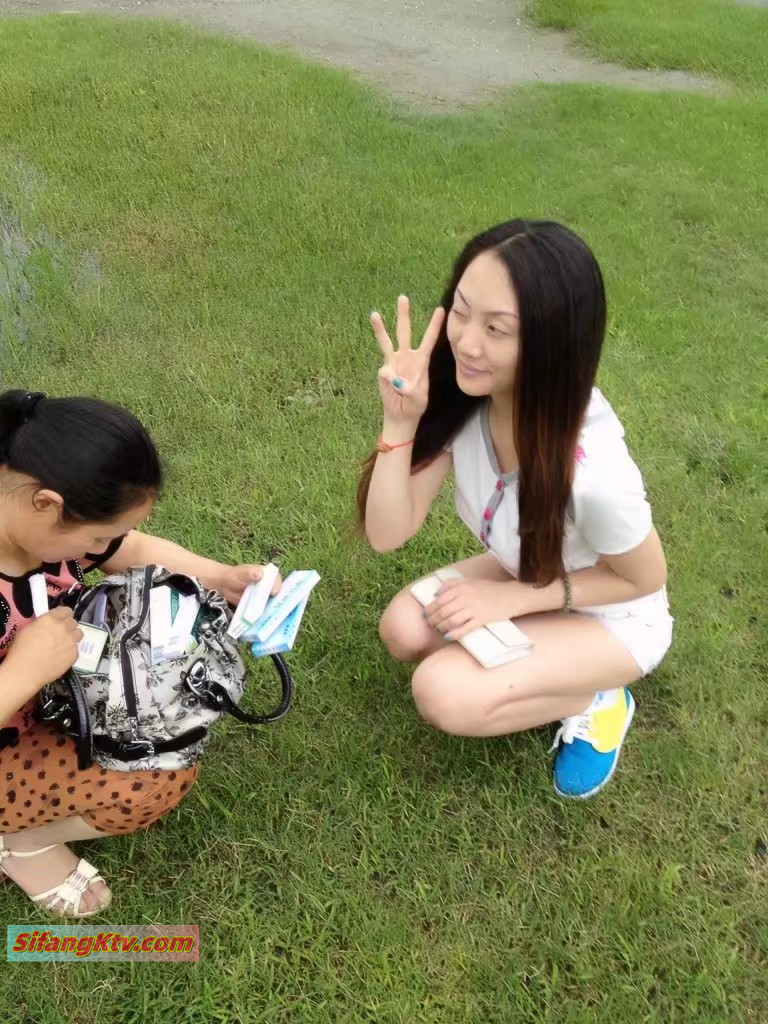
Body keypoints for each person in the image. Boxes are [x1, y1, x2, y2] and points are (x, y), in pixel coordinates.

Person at [358, 219, 674, 800]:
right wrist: (399, 422)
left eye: (497, 328)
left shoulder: (593, 472)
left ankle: (599, 697)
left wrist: (509, 599)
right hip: (526, 566)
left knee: (442, 691)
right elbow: (386, 532)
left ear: (553, 341)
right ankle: (543, 655)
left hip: (614, 614)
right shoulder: (468, 397)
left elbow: (643, 579)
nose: (466, 342)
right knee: (403, 629)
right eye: (461, 311)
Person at [0, 390, 280, 916]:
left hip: (52, 699)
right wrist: (23, 671)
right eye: (98, 536)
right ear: (46, 504)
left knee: (163, 739)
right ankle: (20, 843)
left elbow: (130, 551)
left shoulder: (34, 522)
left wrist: (220, 577)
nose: (104, 547)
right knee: (149, 777)